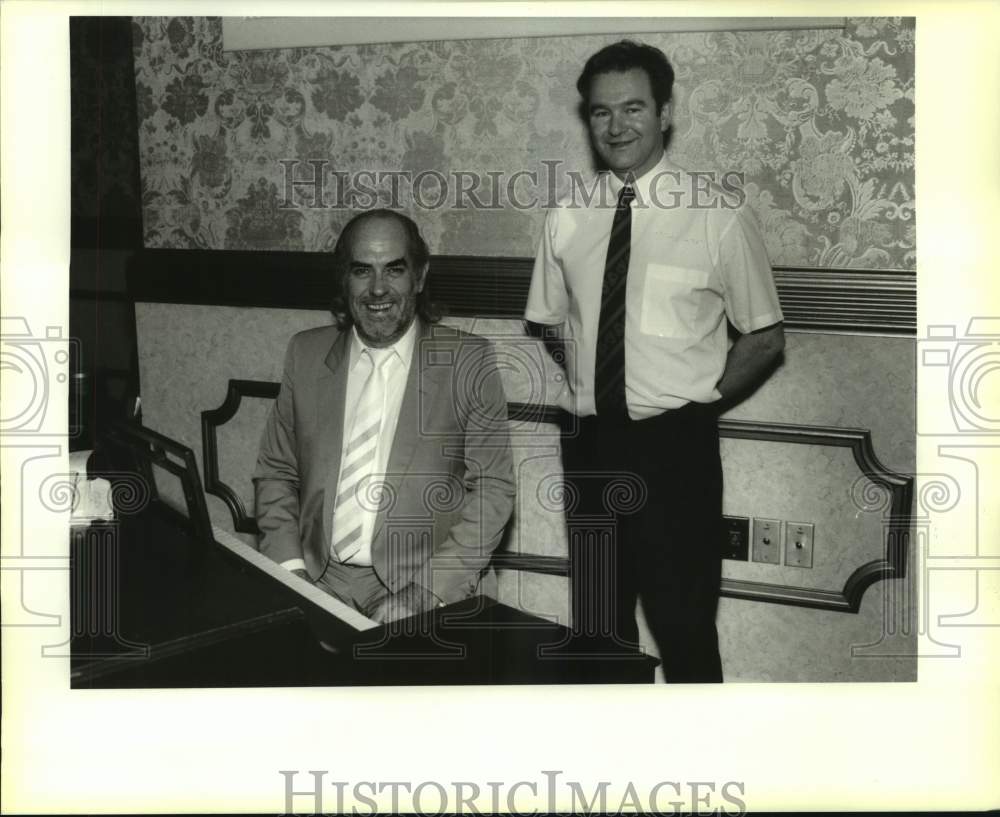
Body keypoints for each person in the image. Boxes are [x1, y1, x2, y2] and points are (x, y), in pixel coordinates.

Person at [525, 40, 785, 681]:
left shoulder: (716, 216)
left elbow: (764, 338)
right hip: (587, 445)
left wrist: (697, 402)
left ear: (665, 113)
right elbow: (552, 325)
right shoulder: (565, 217)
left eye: (633, 108)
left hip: (676, 449)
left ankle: (703, 770)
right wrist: (600, 379)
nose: (616, 127)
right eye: (600, 112)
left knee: (686, 630)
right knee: (597, 632)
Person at [254, 209, 515, 624]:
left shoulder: (468, 361)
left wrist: (421, 594)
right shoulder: (304, 354)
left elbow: (493, 492)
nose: (378, 289)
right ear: (344, 278)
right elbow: (276, 473)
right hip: (318, 579)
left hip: (420, 583)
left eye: (394, 270)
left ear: (420, 277)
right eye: (362, 271)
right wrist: (293, 574)